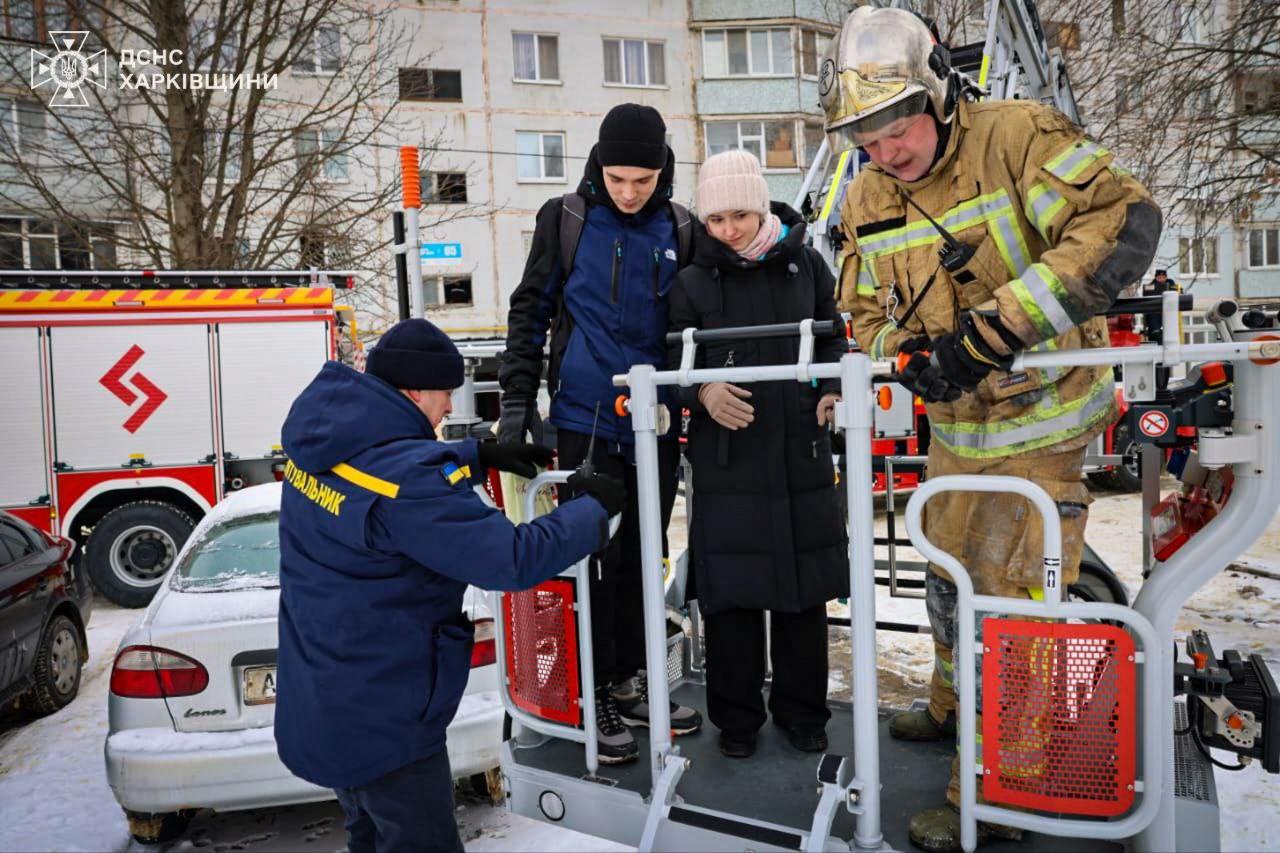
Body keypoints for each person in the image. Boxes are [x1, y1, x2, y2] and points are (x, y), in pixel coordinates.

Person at [820, 8, 1161, 851]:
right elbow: (856, 309)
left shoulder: (1015, 138)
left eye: (896, 129)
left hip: (1041, 427)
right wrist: (905, 356)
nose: (886, 153)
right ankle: (947, 709)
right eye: (866, 138)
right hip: (955, 432)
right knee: (943, 581)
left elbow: (1123, 221)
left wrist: (993, 332)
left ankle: (1002, 791)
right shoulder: (865, 194)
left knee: (1009, 609)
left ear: (936, 96)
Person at [275, 318, 627, 853]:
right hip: (388, 722)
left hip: (326, 699)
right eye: (444, 395)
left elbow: (378, 475)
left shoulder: (317, 444)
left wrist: (473, 455)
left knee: (367, 835)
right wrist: (591, 510)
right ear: (416, 391)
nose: (447, 408)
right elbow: (512, 559)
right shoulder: (410, 483)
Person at [499, 103, 702, 763]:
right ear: (599, 165)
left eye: (642, 179)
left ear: (662, 169)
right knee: (595, 561)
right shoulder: (567, 219)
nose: (629, 191)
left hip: (656, 421)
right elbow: (530, 307)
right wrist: (514, 404)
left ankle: (631, 675)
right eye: (618, 177)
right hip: (585, 421)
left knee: (649, 557)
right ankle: (594, 691)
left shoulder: (682, 228)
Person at [668, 150, 849, 759]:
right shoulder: (692, 280)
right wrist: (703, 391)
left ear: (762, 204)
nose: (728, 231)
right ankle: (737, 720)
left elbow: (834, 338)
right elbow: (671, 361)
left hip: (800, 453)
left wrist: (829, 389)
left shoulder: (807, 268)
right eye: (715, 220)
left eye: (739, 215)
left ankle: (803, 714)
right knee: (732, 600)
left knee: (803, 597)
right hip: (730, 459)